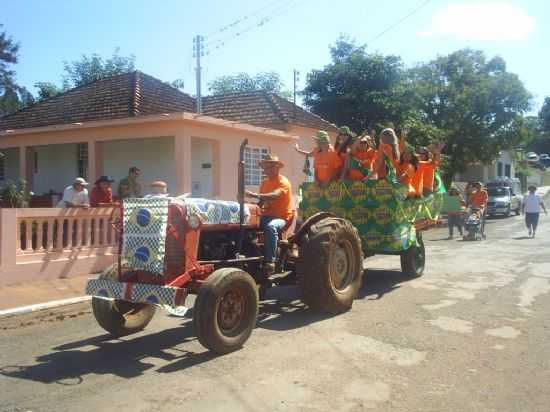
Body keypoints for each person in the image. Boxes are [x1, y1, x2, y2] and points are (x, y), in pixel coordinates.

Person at [245, 154, 294, 273]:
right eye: (266, 167)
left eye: (272, 167)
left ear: (277, 168)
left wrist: (255, 195)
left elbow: (275, 195)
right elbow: (261, 202)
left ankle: (270, 261)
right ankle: (250, 253)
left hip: (282, 217)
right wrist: (251, 207)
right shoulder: (264, 183)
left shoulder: (283, 182)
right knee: (246, 223)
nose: (269, 169)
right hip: (266, 215)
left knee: (271, 227)